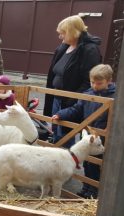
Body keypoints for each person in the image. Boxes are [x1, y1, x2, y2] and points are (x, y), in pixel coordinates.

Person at [52, 64, 114, 199]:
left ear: (109, 81)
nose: (95, 86)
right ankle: (86, 186)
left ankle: (94, 190)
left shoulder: (115, 97)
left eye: (99, 83)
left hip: (101, 138)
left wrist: (109, 130)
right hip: (87, 135)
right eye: (92, 82)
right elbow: (76, 109)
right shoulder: (87, 95)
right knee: (86, 162)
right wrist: (61, 114)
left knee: (96, 163)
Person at [45, 15, 102, 147]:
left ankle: (67, 162)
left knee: (66, 134)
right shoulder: (64, 47)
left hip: (71, 101)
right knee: (56, 132)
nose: (60, 37)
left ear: (72, 32)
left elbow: (89, 80)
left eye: (63, 33)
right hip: (57, 97)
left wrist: (73, 100)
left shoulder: (89, 50)